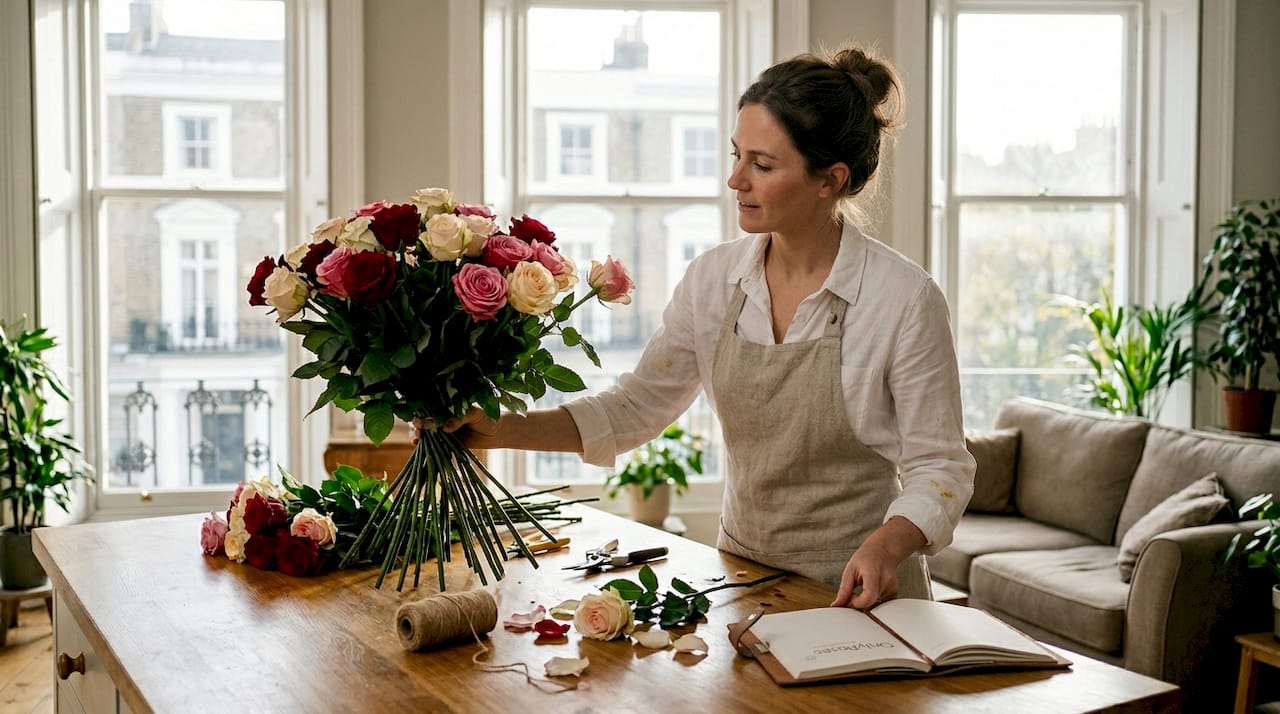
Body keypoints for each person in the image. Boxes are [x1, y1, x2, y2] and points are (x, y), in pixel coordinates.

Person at [446, 44, 975, 610]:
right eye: (736, 155)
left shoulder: (903, 298)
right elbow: (636, 407)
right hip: (745, 581)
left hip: (863, 595)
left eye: (762, 165)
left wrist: (885, 548)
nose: (734, 180)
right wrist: (495, 428)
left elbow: (940, 467)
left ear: (830, 180)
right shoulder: (714, 280)